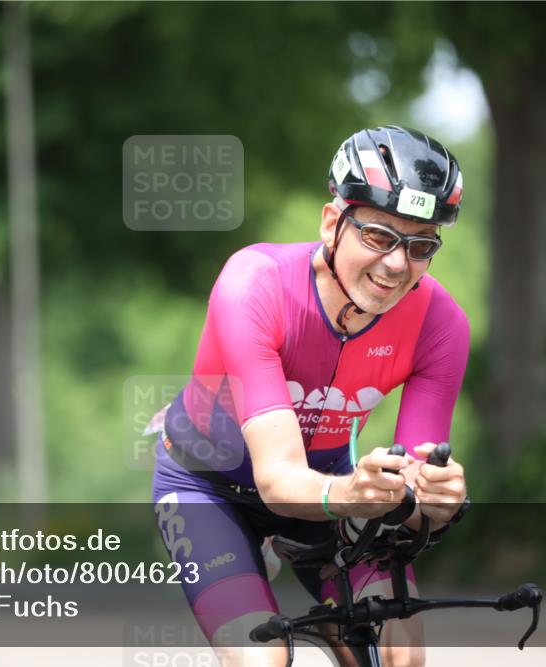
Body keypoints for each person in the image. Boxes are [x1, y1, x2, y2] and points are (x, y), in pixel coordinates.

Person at [151, 126, 470, 667]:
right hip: (211, 491)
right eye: (377, 235)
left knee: (401, 657)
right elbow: (276, 480)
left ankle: (332, 616)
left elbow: (415, 494)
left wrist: (438, 499)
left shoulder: (440, 324)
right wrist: (360, 495)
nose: (396, 264)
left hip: (327, 493)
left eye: (420, 245)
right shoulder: (256, 283)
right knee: (265, 660)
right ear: (332, 223)